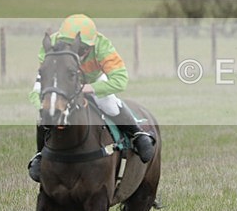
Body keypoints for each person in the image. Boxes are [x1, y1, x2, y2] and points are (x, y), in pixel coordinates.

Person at [27, 14, 156, 182]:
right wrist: (45, 103)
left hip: (92, 81)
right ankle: (40, 154)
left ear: (92, 45)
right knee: (46, 111)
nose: (76, 51)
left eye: (82, 49)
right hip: (62, 87)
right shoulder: (51, 45)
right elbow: (42, 79)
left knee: (109, 103)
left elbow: (121, 80)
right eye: (70, 45)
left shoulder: (103, 46)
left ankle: (137, 134)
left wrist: (90, 88)